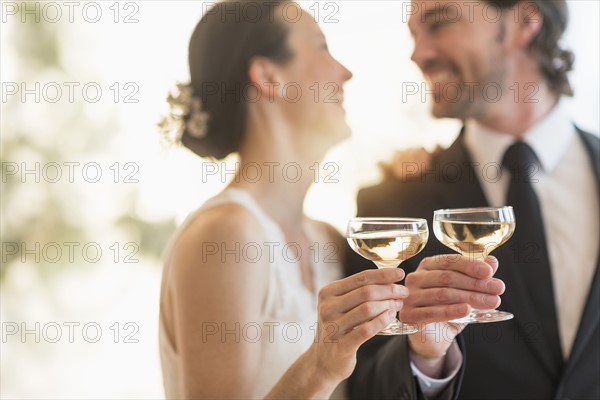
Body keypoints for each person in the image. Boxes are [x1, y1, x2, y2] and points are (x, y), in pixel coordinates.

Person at [158, 1, 506, 399]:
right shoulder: (224, 236)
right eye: (321, 46)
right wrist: (320, 366)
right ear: (268, 75)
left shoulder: (328, 241)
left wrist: (426, 349)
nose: (346, 71)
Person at [346, 1, 600, 399]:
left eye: (439, 23)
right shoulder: (391, 210)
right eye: (413, 33)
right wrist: (426, 357)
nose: (418, 53)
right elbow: (364, 385)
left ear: (523, 22)